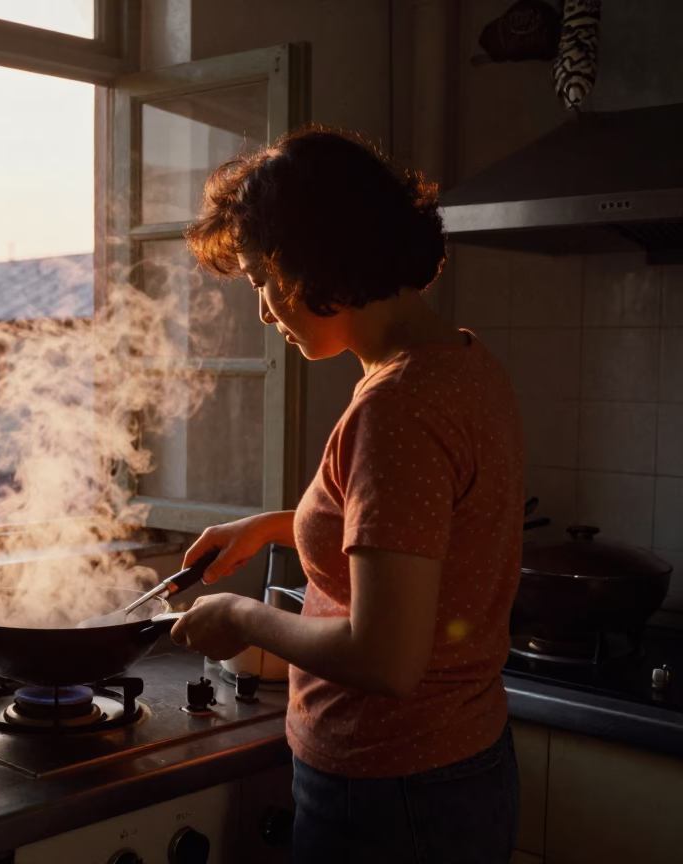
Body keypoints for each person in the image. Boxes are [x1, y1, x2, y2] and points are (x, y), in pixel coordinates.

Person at [171, 127, 524, 863]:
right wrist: (274, 527)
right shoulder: (462, 361)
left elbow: (384, 656)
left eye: (262, 283)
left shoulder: (395, 407)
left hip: (393, 790)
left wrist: (241, 615)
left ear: (309, 262)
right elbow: (420, 528)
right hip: (453, 765)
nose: (264, 313)